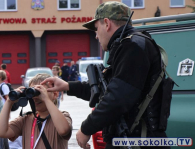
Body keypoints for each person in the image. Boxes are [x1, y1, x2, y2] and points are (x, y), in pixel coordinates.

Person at [41, 1, 169, 149]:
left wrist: (86, 128)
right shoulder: (127, 46)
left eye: (96, 29)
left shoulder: (132, 46)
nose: (96, 36)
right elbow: (105, 92)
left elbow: (117, 97)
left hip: (138, 141)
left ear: (107, 24)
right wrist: (67, 86)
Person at [0, 73, 72, 149]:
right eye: (33, 93)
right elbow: (0, 132)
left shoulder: (63, 116)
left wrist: (46, 99)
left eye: (40, 92)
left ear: (55, 94)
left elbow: (63, 130)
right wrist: (9, 102)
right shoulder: (25, 118)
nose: (36, 97)